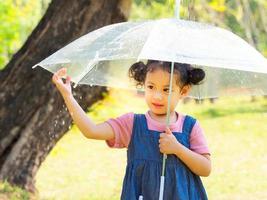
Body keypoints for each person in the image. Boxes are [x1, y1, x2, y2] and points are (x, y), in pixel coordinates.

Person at [52, 60, 211, 200]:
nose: (157, 96)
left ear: (183, 91)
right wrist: (68, 96)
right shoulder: (132, 124)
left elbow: (205, 168)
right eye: (151, 87)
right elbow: (91, 130)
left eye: (166, 90)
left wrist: (178, 149)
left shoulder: (190, 127)